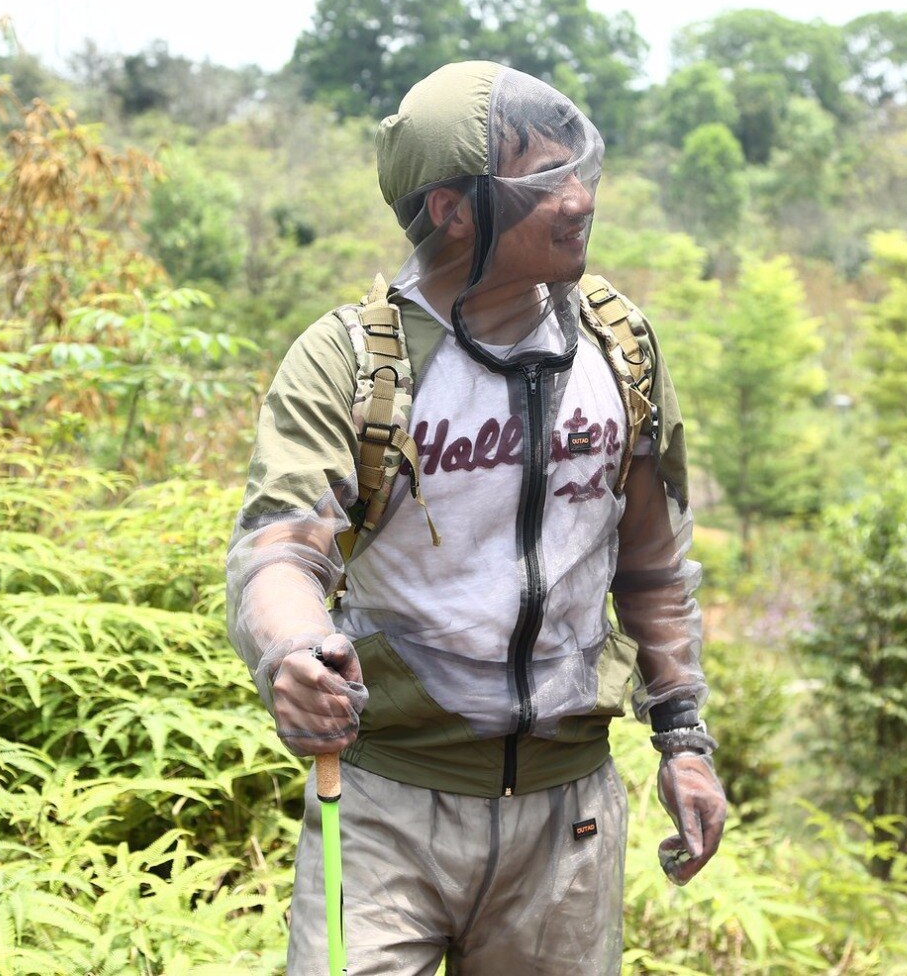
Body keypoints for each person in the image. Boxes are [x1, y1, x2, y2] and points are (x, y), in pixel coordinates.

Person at [226, 60, 726, 976]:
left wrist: (683, 739)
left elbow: (651, 562)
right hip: (386, 815)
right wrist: (292, 653)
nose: (579, 201)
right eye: (544, 182)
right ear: (452, 208)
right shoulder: (351, 365)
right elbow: (279, 552)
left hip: (567, 825)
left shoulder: (619, 352)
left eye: (582, 171)